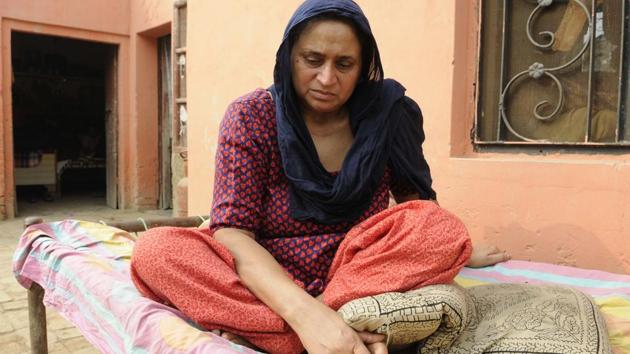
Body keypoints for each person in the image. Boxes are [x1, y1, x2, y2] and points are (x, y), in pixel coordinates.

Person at [131, 1, 510, 353]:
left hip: (357, 266)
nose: (327, 78)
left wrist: (455, 249)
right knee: (155, 252)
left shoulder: (388, 115)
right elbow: (234, 232)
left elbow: (417, 204)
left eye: (344, 64)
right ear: (289, 58)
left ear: (363, 67)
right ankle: (323, 329)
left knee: (439, 227)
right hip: (267, 273)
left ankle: (272, 330)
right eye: (312, 60)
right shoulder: (251, 116)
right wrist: (303, 314)